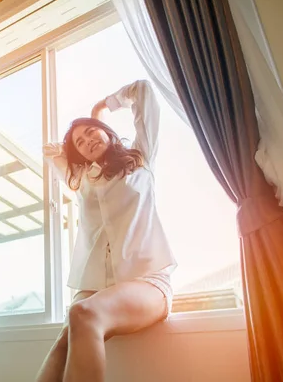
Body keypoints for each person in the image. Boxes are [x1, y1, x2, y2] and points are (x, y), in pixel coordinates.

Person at [36, 80, 177, 382]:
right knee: (63, 340)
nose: (87, 141)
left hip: (147, 281)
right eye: (80, 143)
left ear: (106, 130)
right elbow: (54, 156)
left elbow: (144, 91)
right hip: (97, 285)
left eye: (91, 132)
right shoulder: (83, 180)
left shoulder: (140, 158)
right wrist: (62, 152)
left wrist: (101, 107)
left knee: (82, 314)